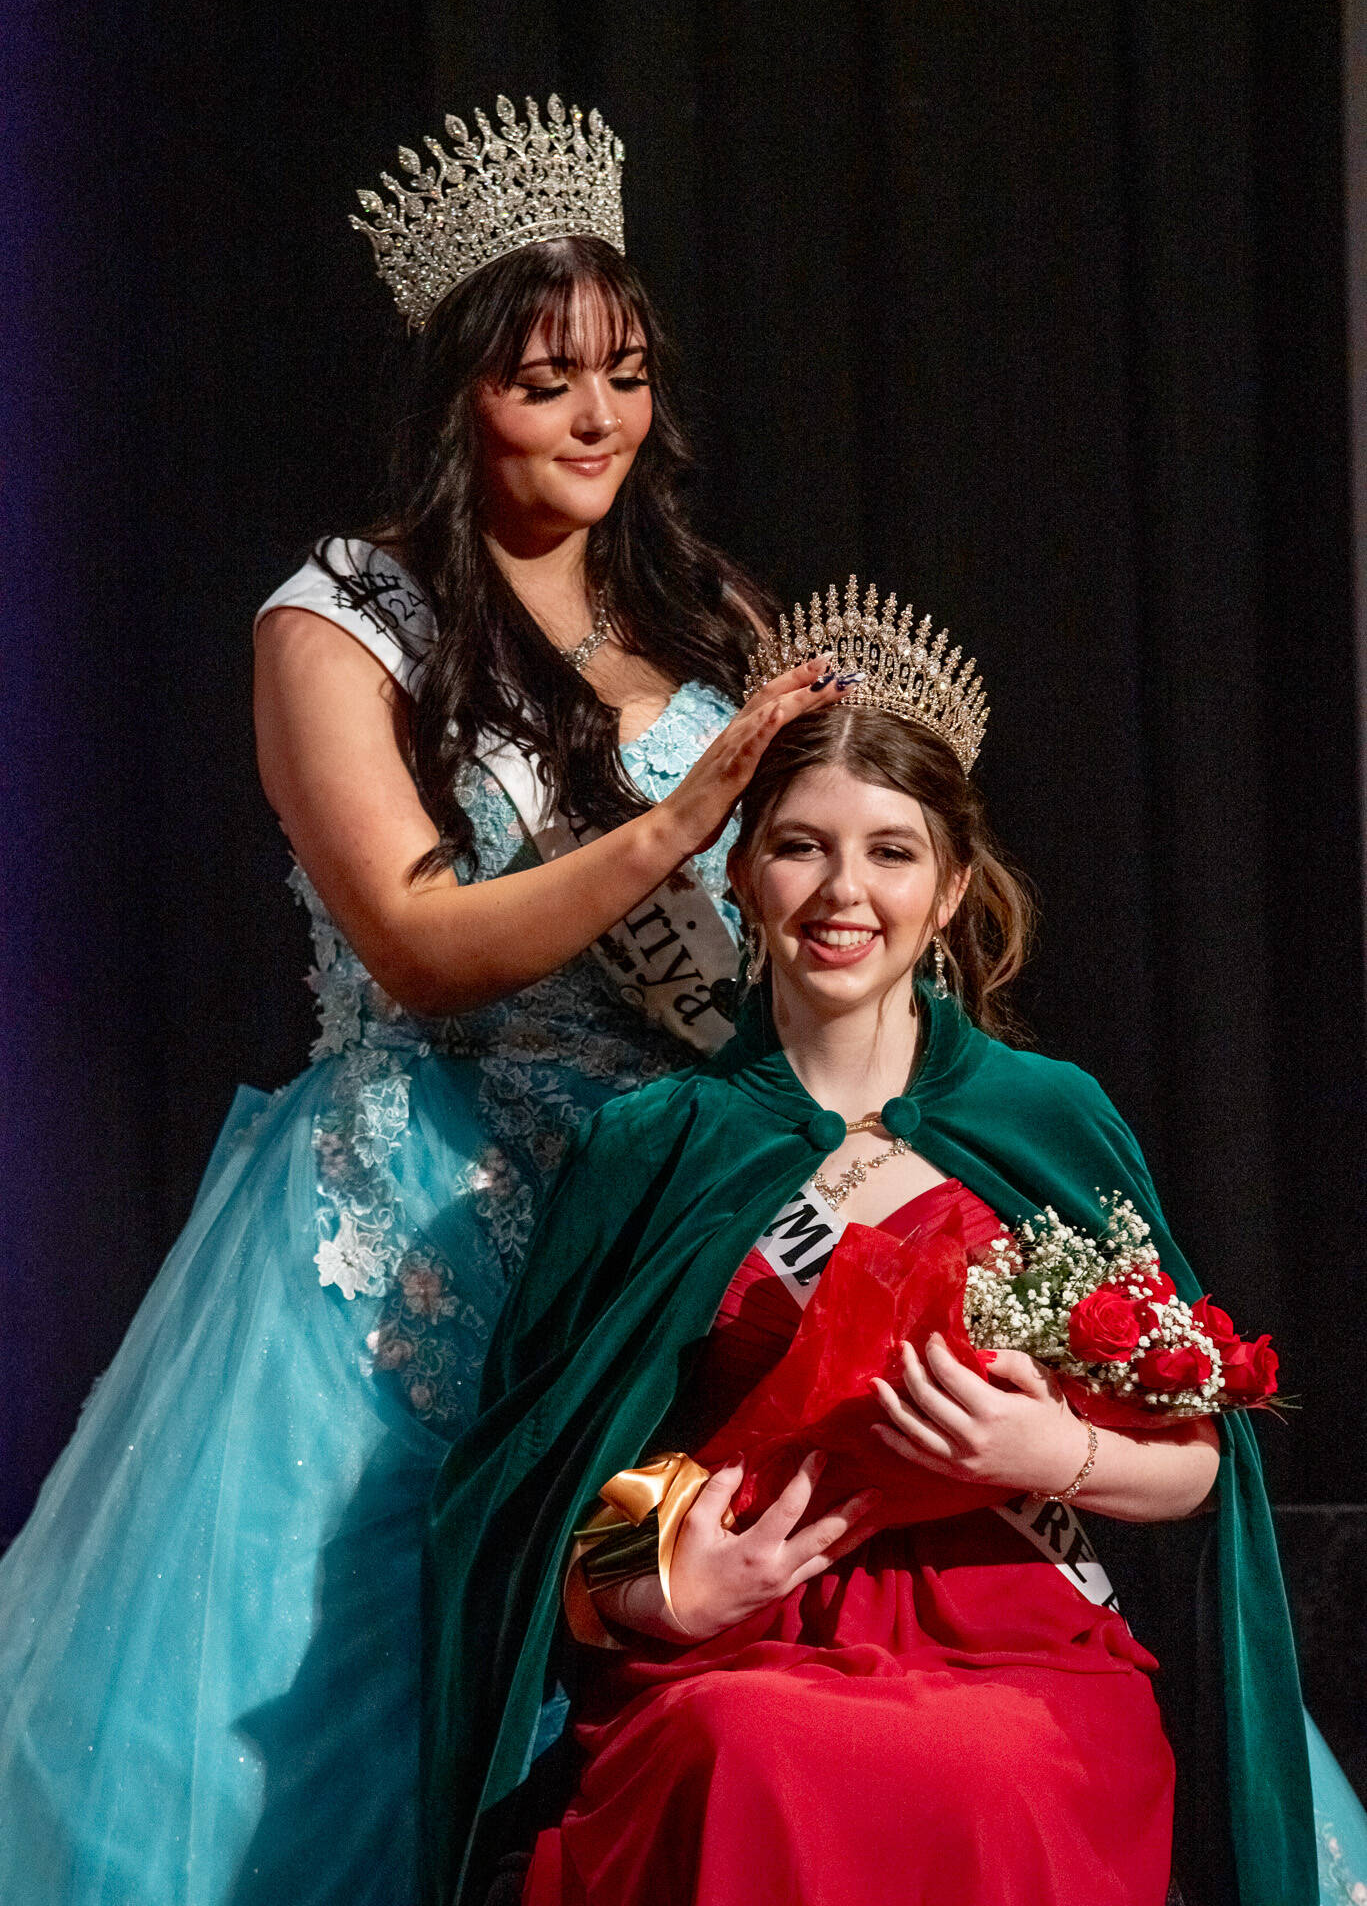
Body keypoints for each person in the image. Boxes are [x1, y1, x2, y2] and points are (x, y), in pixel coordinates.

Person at [0, 95, 844, 1906]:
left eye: (623, 371)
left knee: (646, 1636)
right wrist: (674, 825)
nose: (600, 417)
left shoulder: (699, 609)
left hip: (649, 1215)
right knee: (339, 1694)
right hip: (403, 1244)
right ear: (463, 390)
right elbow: (414, 935)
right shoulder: (342, 618)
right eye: (549, 382)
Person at [423, 579, 1366, 1906]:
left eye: (891, 850)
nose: (843, 890)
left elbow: (1202, 1469)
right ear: (742, 875)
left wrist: (1056, 1452)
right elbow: (533, 1498)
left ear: (953, 886)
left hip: (1024, 1634)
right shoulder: (659, 1142)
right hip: (737, 1646)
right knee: (747, 1746)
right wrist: (662, 1591)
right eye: (801, 846)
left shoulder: (1050, 1117)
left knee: (999, 1769)